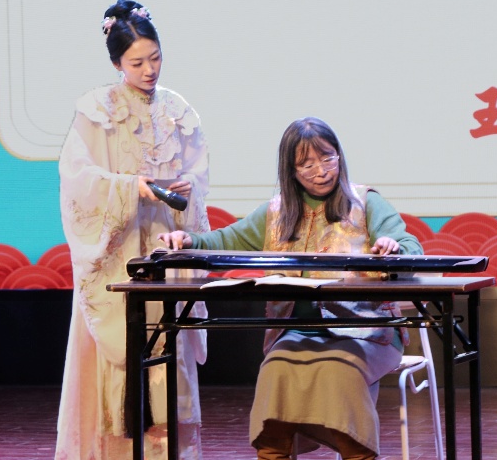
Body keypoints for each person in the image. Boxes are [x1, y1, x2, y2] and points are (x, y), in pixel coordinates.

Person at [158, 117, 423, 460]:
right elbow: (225, 239)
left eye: (327, 158)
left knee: (338, 369)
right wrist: (188, 240)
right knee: (276, 369)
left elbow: (410, 246)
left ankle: (359, 455)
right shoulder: (276, 212)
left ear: (339, 156)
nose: (321, 171)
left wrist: (393, 247)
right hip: (296, 331)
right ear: (292, 171)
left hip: (367, 331)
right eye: (307, 164)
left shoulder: (365, 202)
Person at [56, 0, 210, 460]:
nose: (149, 70)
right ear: (116, 63)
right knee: (121, 353)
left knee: (168, 351)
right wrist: (129, 188)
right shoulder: (96, 110)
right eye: (137, 62)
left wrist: (188, 185)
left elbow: (198, 170)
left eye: (155, 58)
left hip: (164, 247)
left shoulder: (178, 110)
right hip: (118, 252)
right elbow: (77, 180)